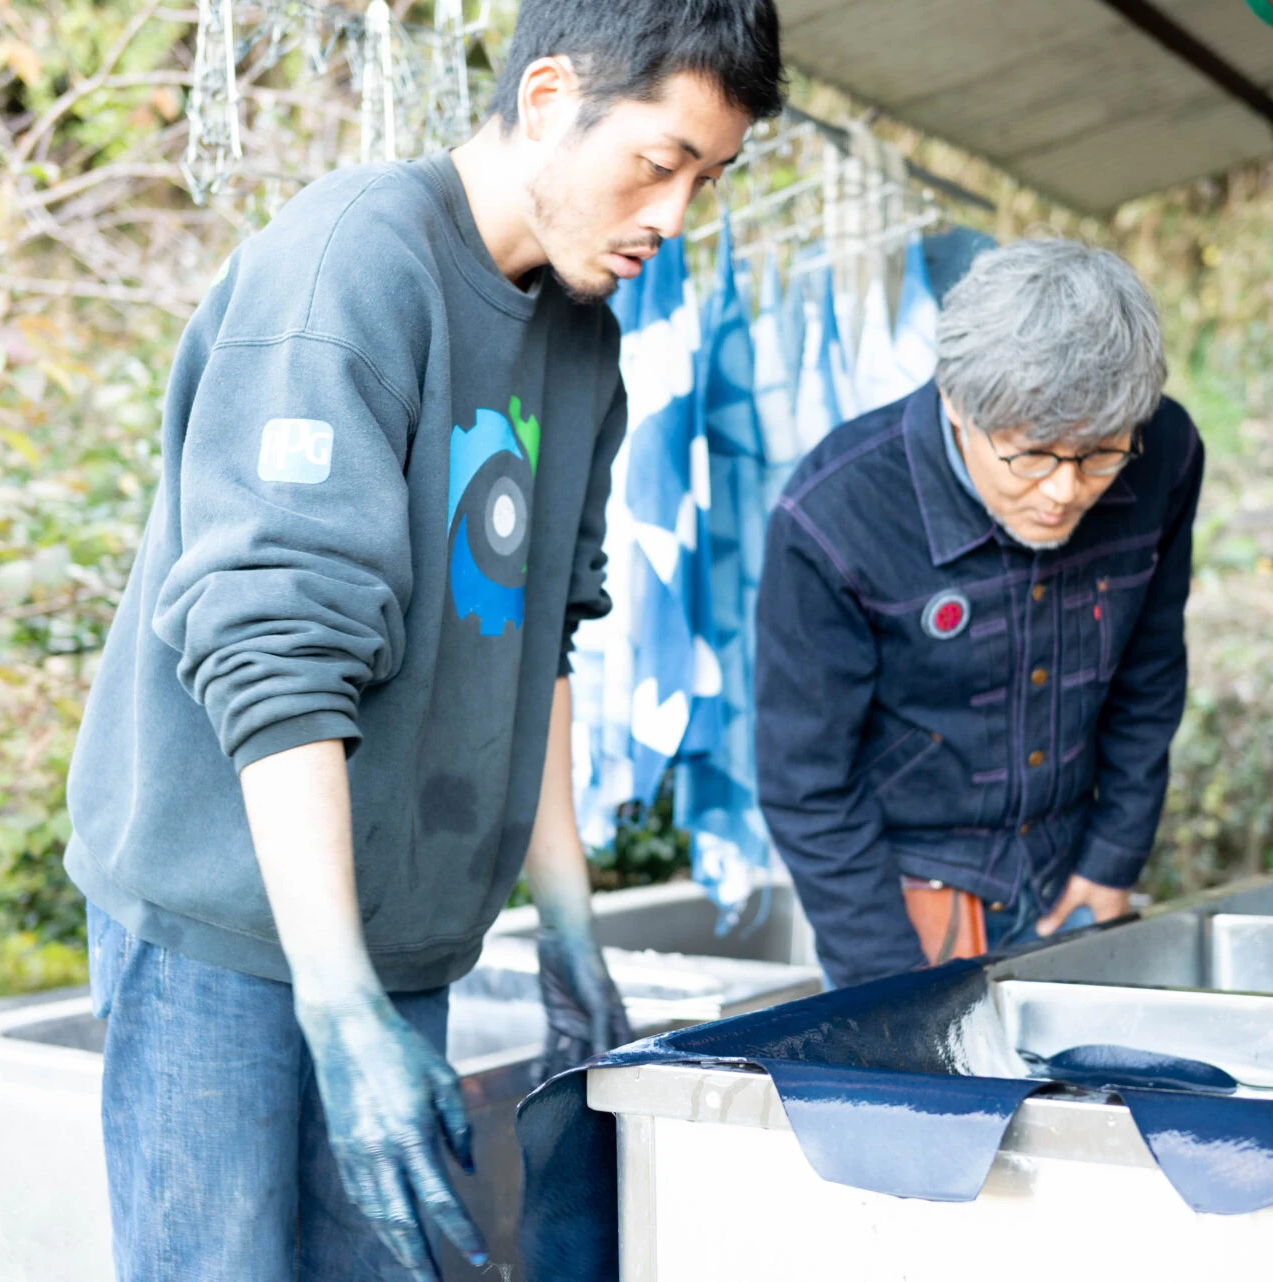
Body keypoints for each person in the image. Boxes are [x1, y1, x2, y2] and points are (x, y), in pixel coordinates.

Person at [61, 2, 784, 1278]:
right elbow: (276, 650)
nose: (676, 218)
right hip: (222, 925)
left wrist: (568, 923)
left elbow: (544, 635)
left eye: (706, 179)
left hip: (399, 933)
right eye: (661, 162)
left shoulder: (583, 346)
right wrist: (333, 1003)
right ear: (551, 96)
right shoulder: (350, 267)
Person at [754, 239, 1202, 990]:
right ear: (957, 405)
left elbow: (1150, 670)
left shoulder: (1165, 453)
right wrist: (889, 988)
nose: (1064, 491)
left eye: (1098, 456)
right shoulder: (835, 516)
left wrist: (1114, 856)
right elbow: (807, 782)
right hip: (909, 898)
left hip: (1075, 881)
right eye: (1030, 456)